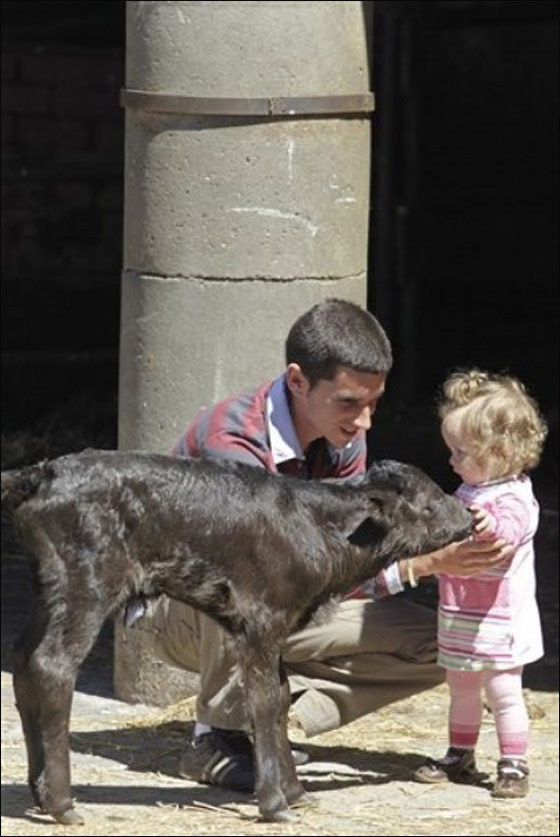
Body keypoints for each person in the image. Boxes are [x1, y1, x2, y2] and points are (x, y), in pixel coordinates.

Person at [150, 300, 511, 793]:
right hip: (185, 615)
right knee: (240, 575)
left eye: (373, 403)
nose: (364, 422)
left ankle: (284, 715)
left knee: (451, 643)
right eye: (348, 402)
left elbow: (348, 563)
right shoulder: (232, 438)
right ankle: (217, 739)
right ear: (298, 382)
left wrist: (439, 556)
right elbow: (262, 566)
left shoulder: (344, 439)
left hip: (293, 604)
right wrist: (420, 563)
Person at [413, 369, 548, 799]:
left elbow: (508, 534)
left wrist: (487, 527)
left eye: (460, 451)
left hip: (500, 620)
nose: (451, 460)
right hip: (460, 616)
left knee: (504, 692)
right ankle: (460, 752)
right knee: (462, 688)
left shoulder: (513, 497)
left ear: (500, 451)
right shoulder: (468, 490)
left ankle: (513, 761)